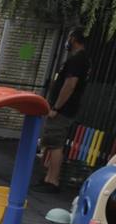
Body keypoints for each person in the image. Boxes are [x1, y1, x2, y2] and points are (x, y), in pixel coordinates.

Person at [34, 27, 91, 193]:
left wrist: (56, 107)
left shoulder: (77, 60)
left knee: (55, 143)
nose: (67, 41)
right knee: (52, 143)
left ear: (73, 39)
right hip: (65, 108)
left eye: (68, 38)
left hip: (63, 110)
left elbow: (70, 84)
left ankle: (53, 181)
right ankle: (48, 178)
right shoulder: (82, 60)